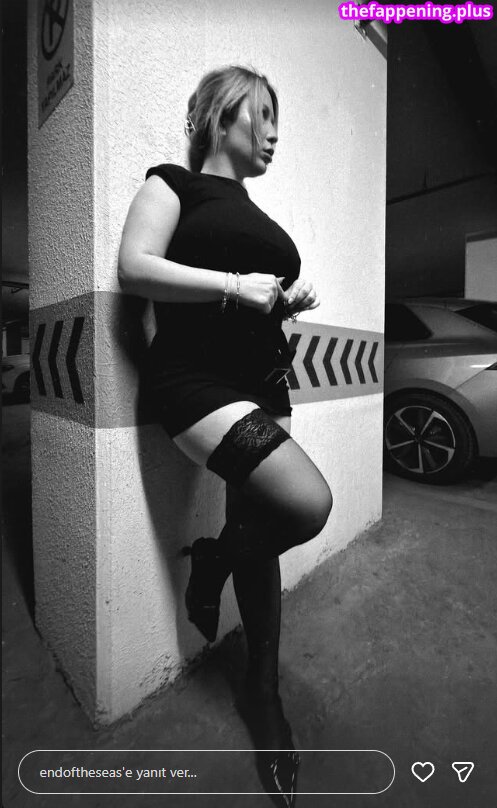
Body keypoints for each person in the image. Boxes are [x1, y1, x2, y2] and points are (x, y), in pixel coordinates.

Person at [118, 65, 333, 808]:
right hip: (194, 381)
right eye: (262, 114)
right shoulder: (173, 185)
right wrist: (234, 285)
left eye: (278, 120)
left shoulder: (253, 212)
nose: (274, 133)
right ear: (220, 114)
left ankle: (262, 695)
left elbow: (252, 302)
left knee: (257, 528)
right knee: (307, 504)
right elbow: (135, 267)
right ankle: (210, 563)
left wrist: (282, 304)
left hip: (263, 383)